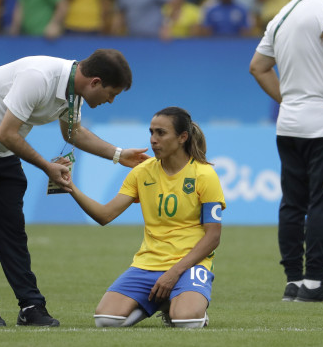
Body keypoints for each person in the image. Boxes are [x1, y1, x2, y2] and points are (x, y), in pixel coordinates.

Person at [0, 49, 149, 327]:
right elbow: (6, 132)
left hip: (2, 151)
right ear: (95, 82)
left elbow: (73, 132)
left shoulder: (74, 92)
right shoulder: (38, 77)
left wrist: (118, 155)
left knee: (12, 232)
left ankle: (31, 305)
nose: (110, 101)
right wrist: (47, 167)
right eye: (112, 93)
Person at [249, 0, 323, 303]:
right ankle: (314, 282)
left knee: (292, 204)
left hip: (289, 125)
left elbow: (258, 67)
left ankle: (294, 281)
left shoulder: (281, 15)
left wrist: (289, 99)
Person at [68, 107, 224, 328]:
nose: (153, 140)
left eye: (161, 133)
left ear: (182, 137)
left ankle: (179, 303)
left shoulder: (204, 175)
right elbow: (104, 215)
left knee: (187, 321)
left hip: (189, 264)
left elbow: (213, 237)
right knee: (105, 320)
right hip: (148, 263)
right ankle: (159, 302)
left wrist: (174, 273)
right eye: (151, 132)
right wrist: (70, 186)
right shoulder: (142, 172)